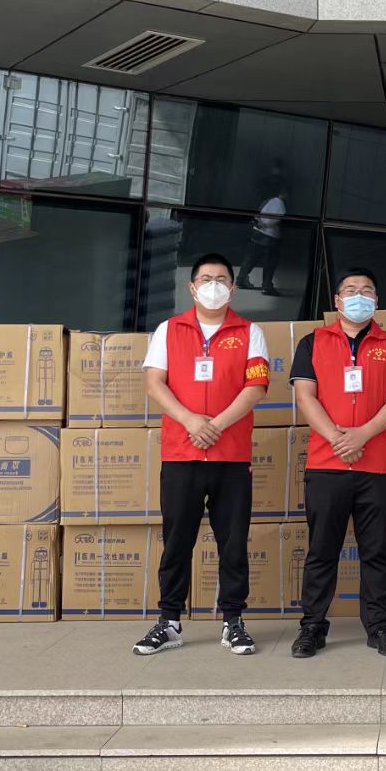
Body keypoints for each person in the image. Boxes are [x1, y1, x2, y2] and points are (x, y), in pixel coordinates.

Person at [133, 253, 270, 657]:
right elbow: (154, 383)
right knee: (177, 541)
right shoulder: (169, 330)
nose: (214, 286)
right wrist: (191, 421)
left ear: (233, 288)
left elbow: (255, 387)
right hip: (182, 453)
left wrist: (217, 425)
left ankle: (234, 621)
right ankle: (169, 621)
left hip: (231, 456)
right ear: (192, 288)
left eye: (222, 279)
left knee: (233, 542)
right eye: (206, 279)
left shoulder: (250, 332)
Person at [289, 266, 386, 657]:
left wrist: (361, 435)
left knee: (376, 551)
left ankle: (380, 628)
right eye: (350, 290)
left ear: (377, 300)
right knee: (321, 550)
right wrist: (337, 438)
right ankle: (312, 628)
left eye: (367, 291)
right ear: (337, 300)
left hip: (376, 464)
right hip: (326, 464)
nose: (359, 296)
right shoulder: (313, 342)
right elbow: (305, 396)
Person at [238, 180, 288, 297]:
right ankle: (267, 286)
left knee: (252, 257)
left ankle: (241, 279)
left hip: (258, 232)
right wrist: (265, 225)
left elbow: (258, 214)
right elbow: (274, 219)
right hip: (270, 235)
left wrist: (259, 224)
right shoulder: (279, 203)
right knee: (270, 261)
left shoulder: (267, 200)